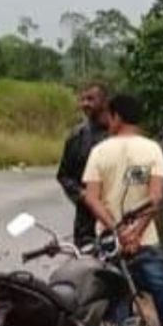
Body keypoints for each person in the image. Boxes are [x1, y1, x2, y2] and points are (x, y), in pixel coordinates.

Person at [81, 93, 163, 326]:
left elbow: (91, 198)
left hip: (109, 241)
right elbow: (156, 198)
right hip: (145, 240)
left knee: (117, 297)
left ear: (116, 117)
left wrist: (117, 230)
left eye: (110, 117)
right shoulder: (153, 150)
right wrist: (135, 232)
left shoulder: (99, 151)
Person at [58, 82, 111, 246]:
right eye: (83, 99)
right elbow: (64, 175)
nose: (85, 104)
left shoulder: (117, 134)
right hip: (86, 221)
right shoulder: (76, 137)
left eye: (90, 99)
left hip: (116, 216)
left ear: (104, 102)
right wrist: (82, 194)